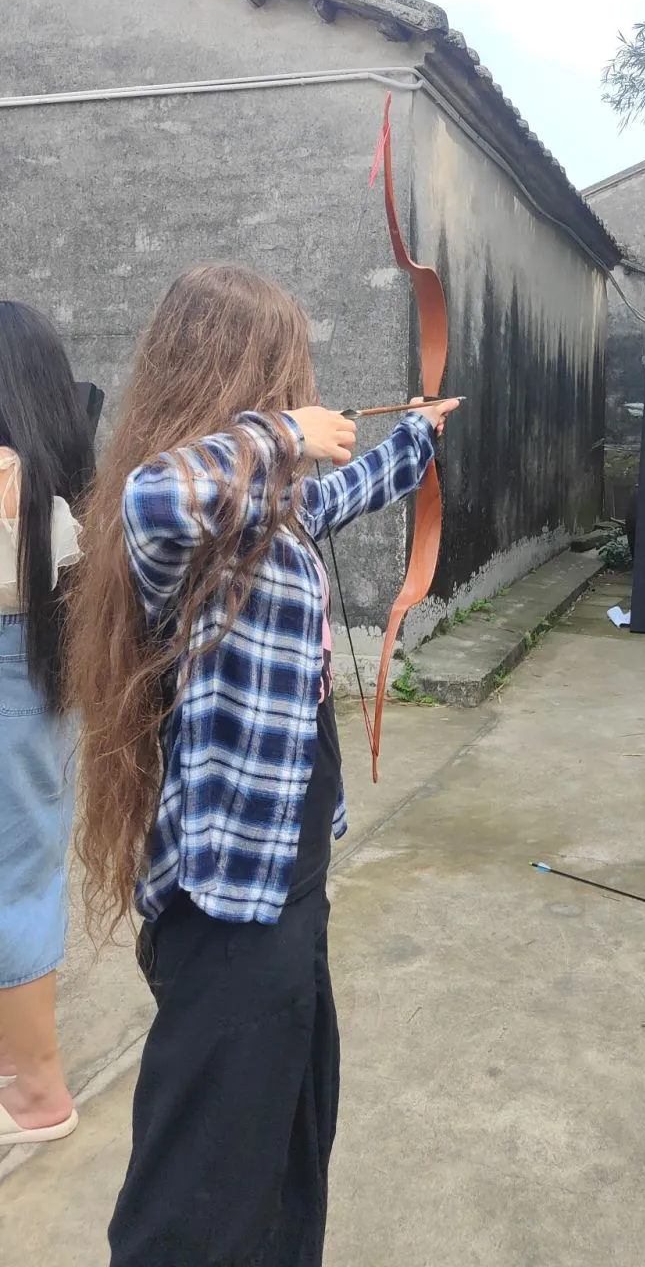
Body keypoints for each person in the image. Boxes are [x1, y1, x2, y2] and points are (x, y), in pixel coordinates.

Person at [68, 263, 458, 1266]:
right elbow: (160, 497)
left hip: (288, 883)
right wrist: (287, 433)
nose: (305, 392)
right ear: (236, 373)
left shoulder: (262, 512)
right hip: (228, 905)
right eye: (288, 373)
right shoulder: (175, 509)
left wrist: (416, 437)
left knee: (288, 1133)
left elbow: (332, 499)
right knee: (201, 1181)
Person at [0, 301, 95, 1148]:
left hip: (14, 684)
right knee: (20, 872)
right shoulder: (59, 474)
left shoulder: (11, 480)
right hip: (39, 678)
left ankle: (36, 1094)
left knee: (15, 880)